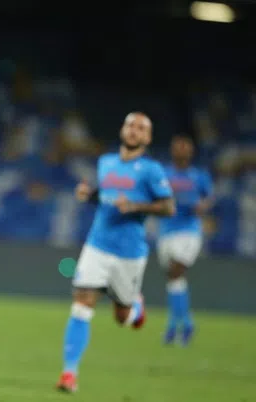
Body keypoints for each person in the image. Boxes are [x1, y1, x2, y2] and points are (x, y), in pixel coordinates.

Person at [56, 112, 176, 393]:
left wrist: (136, 207)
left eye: (141, 128)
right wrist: (89, 195)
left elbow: (169, 207)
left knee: (122, 317)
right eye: (130, 125)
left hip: (129, 253)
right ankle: (69, 374)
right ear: (123, 130)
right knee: (82, 302)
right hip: (97, 245)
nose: (134, 130)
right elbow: (106, 196)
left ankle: (135, 308)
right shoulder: (106, 162)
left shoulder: (151, 170)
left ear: (148, 137)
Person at [157, 135, 213, 346]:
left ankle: (178, 325)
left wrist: (202, 207)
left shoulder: (199, 176)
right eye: (177, 147)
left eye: (185, 147)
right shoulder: (164, 174)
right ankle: (182, 324)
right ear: (172, 151)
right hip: (166, 231)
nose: (181, 151)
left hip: (189, 231)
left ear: (191, 152)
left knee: (176, 271)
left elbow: (208, 198)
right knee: (174, 279)